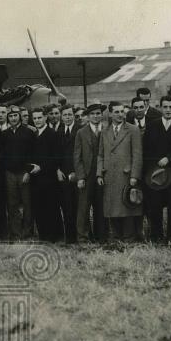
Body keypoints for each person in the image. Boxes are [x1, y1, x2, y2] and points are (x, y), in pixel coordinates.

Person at [142, 96, 171, 242]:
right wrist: (155, 163)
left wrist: (169, 158)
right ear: (160, 108)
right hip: (156, 173)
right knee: (155, 205)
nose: (168, 110)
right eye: (165, 107)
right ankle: (156, 236)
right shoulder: (152, 125)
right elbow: (146, 149)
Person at [98, 101, 143, 241]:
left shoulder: (133, 130)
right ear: (110, 114)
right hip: (109, 175)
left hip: (126, 175)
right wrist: (99, 173)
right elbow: (100, 155)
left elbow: (137, 154)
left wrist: (134, 175)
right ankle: (117, 237)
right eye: (116, 112)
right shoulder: (104, 131)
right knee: (111, 207)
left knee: (127, 206)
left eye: (122, 112)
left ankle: (129, 238)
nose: (120, 115)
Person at [0, 106, 35, 241]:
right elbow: (2, 153)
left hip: (24, 173)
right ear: (7, 118)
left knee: (27, 203)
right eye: (10, 116)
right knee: (12, 204)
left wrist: (28, 171)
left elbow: (33, 153)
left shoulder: (29, 132)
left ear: (19, 116)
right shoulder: (4, 134)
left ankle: (27, 233)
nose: (13, 118)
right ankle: (15, 233)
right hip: (10, 173)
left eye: (15, 115)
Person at [28, 107, 61, 242]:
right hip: (35, 178)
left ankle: (53, 236)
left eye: (39, 118)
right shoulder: (33, 134)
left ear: (45, 117)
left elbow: (56, 157)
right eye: (35, 118)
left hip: (49, 178)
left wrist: (41, 167)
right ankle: (43, 235)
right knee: (38, 206)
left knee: (50, 207)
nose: (37, 120)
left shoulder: (52, 134)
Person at [74, 103, 105, 242]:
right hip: (87, 175)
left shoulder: (107, 130)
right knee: (84, 207)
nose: (95, 116)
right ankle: (83, 237)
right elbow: (77, 157)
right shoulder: (81, 132)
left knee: (101, 205)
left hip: (102, 174)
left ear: (102, 115)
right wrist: (80, 176)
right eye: (92, 114)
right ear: (88, 116)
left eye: (98, 113)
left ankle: (101, 236)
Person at [57, 104, 79, 243]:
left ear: (74, 115)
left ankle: (80, 236)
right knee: (67, 207)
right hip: (63, 175)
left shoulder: (80, 130)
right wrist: (58, 169)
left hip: (77, 174)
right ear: (61, 117)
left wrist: (76, 172)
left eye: (70, 114)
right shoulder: (59, 131)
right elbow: (56, 154)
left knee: (78, 207)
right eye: (65, 115)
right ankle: (70, 237)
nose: (67, 117)